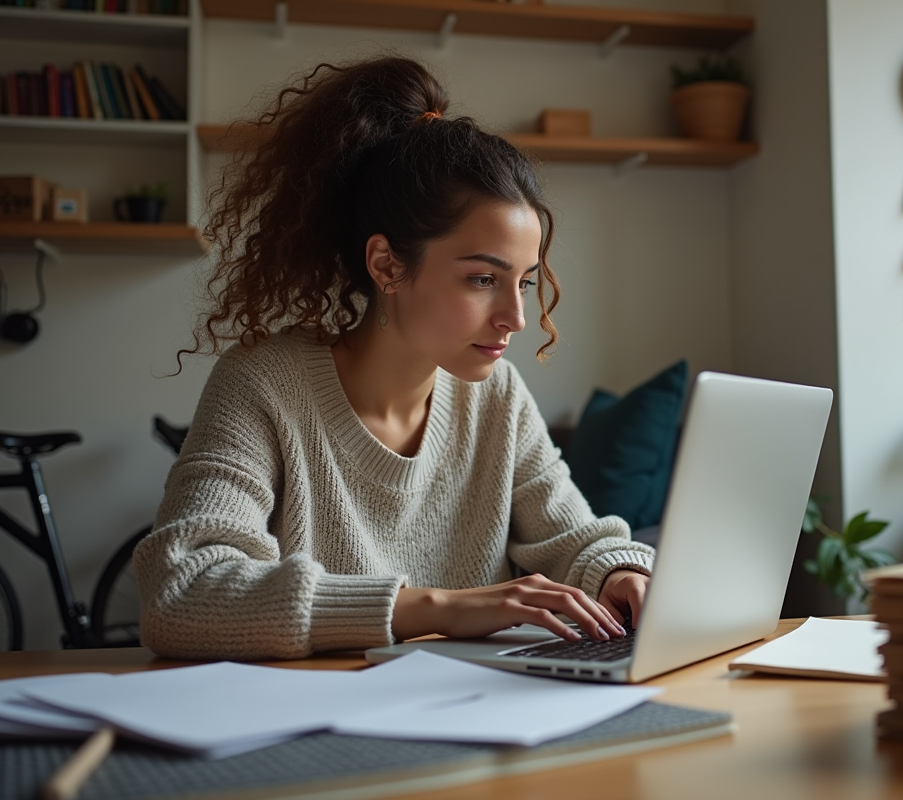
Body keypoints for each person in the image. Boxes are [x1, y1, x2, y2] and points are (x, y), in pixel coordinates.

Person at [133, 55, 655, 661]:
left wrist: (620, 574)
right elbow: (180, 594)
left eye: (526, 282)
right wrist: (433, 608)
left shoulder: (499, 395)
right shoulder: (264, 384)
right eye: (484, 279)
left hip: (472, 720)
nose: (515, 316)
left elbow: (572, 537)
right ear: (386, 265)